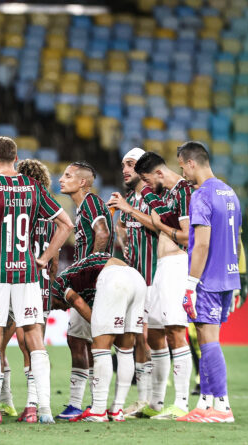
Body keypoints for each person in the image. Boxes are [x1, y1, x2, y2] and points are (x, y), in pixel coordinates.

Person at [0, 136, 73, 425]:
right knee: (34, 339)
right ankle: (43, 409)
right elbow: (66, 224)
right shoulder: (33, 187)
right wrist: (44, 258)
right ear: (16, 158)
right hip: (28, 276)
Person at [173, 142, 241, 423]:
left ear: (191, 163)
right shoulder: (230, 193)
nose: (183, 173)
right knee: (204, 337)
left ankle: (223, 408)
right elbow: (237, 236)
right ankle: (205, 404)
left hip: (208, 279)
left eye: (182, 167)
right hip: (228, 276)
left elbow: (200, 245)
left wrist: (190, 285)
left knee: (209, 341)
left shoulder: (201, 195)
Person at [44, 253, 145, 423]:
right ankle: (117, 409)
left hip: (114, 279)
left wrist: (101, 327)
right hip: (135, 278)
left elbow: (77, 302)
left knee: (100, 347)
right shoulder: (81, 278)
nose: (60, 309)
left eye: (55, 306)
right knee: (126, 350)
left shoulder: (58, 285)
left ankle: (98, 410)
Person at [133, 151, 195, 420]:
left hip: (178, 266)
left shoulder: (183, 191)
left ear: (158, 173)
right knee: (155, 333)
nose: (146, 186)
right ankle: (157, 402)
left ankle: (181, 403)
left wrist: (161, 224)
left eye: (147, 180)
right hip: (162, 268)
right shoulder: (168, 194)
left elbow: (185, 235)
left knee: (175, 331)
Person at [56, 160, 112, 420]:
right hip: (92, 281)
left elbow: (102, 234)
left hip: (93, 283)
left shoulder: (90, 202)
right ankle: (86, 403)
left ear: (82, 182)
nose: (61, 179)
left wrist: (90, 270)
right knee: (81, 341)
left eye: (67, 175)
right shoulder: (83, 208)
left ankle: (85, 404)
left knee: (87, 341)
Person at [107, 147, 158, 418]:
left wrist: (128, 210)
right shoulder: (128, 199)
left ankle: (155, 399)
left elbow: (160, 226)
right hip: (136, 278)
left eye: (130, 164)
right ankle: (145, 400)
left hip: (156, 277)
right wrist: (121, 233)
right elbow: (125, 234)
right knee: (138, 338)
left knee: (150, 338)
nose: (125, 169)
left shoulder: (155, 197)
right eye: (123, 165)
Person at [15, 159, 64, 423]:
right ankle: (36, 404)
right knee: (35, 343)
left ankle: (25, 404)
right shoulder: (50, 207)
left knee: (19, 343)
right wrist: (50, 278)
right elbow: (55, 256)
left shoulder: (21, 203)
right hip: (42, 280)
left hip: (17, 277)